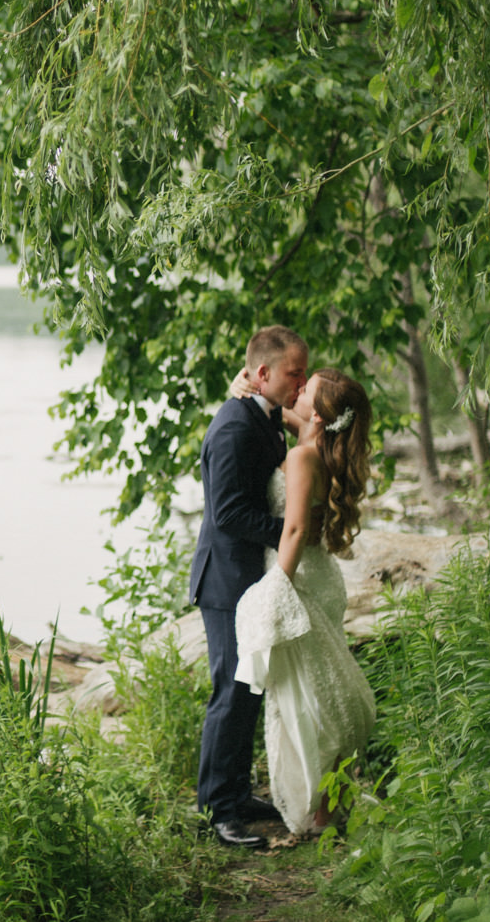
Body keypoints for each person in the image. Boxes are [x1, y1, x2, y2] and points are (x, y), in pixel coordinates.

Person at [234, 368, 377, 835]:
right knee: (322, 694)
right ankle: (329, 807)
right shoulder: (323, 444)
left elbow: (293, 529)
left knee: (311, 701)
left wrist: (278, 583)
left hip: (300, 579)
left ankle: (323, 812)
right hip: (323, 576)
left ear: (316, 412)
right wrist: (246, 389)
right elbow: (282, 413)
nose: (294, 393)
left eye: (304, 390)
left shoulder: (302, 457)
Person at [188, 325, 308, 848]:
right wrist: (291, 534)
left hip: (248, 576)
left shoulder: (262, 415)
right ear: (263, 374)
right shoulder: (234, 427)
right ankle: (217, 810)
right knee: (230, 693)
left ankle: (237, 794)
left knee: (249, 688)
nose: (300, 381)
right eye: (293, 372)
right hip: (226, 578)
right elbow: (230, 512)